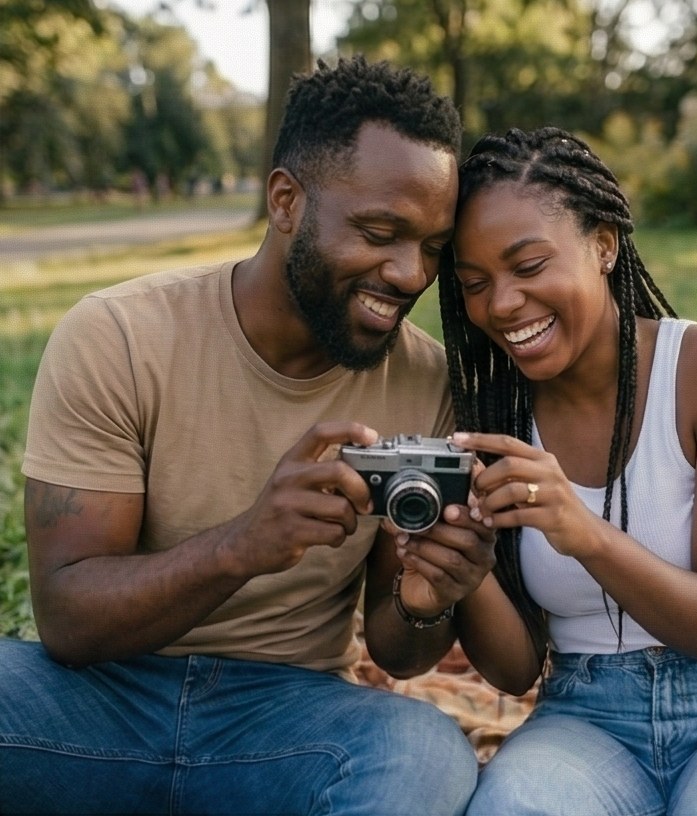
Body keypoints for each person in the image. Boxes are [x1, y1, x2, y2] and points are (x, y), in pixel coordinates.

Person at [0, 56, 495, 815]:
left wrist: (428, 600)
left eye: (431, 246)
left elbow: (398, 652)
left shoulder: (425, 382)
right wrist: (244, 544)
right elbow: (68, 618)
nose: (408, 273)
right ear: (286, 201)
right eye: (379, 232)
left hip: (290, 722)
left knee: (423, 756)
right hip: (99, 700)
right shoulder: (120, 335)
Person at [430, 126, 697, 815]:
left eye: (528, 267)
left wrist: (582, 531)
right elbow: (516, 670)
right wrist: (468, 579)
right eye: (475, 283)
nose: (500, 305)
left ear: (604, 244)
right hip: (583, 719)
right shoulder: (492, 409)